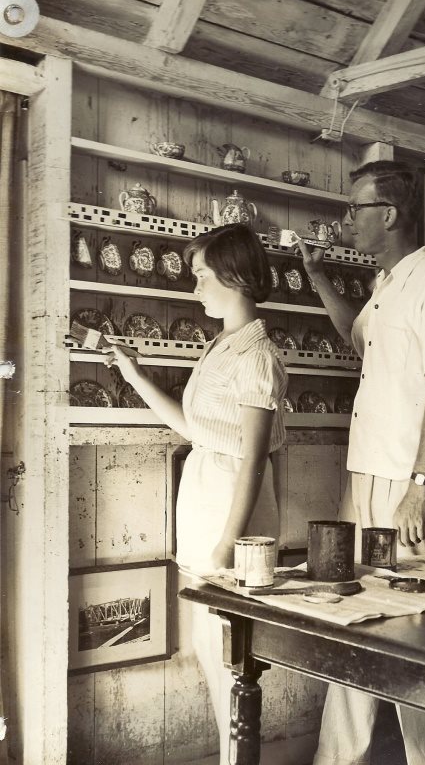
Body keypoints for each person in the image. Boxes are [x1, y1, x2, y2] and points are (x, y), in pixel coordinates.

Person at [298, 160, 425, 765]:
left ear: (390, 214)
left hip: (407, 483)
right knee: (356, 612)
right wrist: (320, 280)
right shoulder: (386, 285)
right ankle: (336, 759)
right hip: (368, 477)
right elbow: (359, 341)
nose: (348, 220)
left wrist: (419, 488)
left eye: (356, 209)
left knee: (417, 623)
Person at [105, 223, 288, 765]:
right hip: (209, 502)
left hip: (233, 516)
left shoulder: (256, 355)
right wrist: (133, 374)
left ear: (233, 276)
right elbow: (195, 428)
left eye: (202, 276)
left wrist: (228, 547)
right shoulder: (223, 345)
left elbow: (254, 458)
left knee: (231, 661)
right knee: (213, 657)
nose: (195, 289)